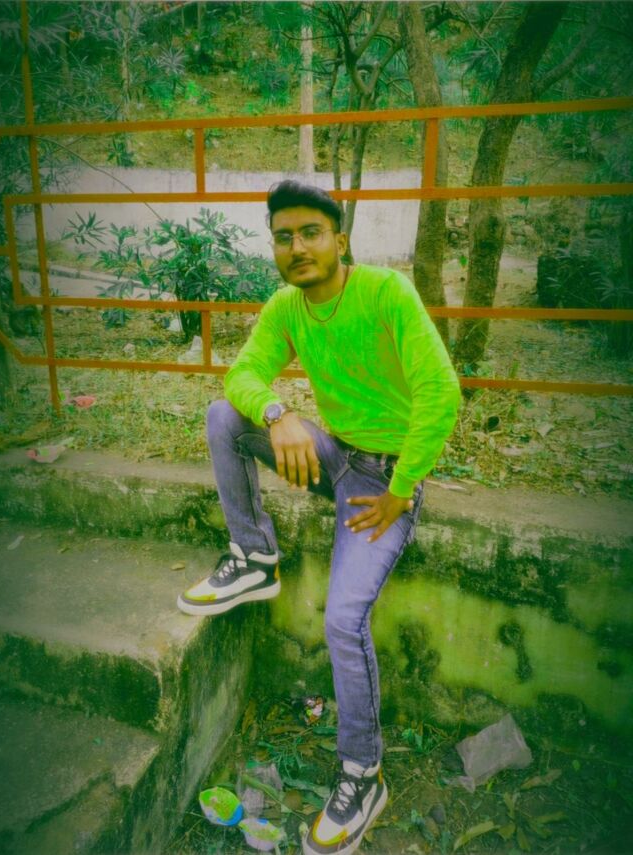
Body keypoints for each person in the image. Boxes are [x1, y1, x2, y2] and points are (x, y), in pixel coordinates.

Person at [178, 180, 461, 855]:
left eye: (311, 232)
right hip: (334, 456)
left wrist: (402, 487)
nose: (298, 247)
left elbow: (441, 390)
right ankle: (255, 556)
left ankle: (363, 773)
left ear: (340, 239)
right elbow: (241, 377)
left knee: (342, 620)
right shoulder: (287, 307)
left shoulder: (386, 292)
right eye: (284, 237)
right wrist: (279, 413)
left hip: (383, 482)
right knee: (225, 417)